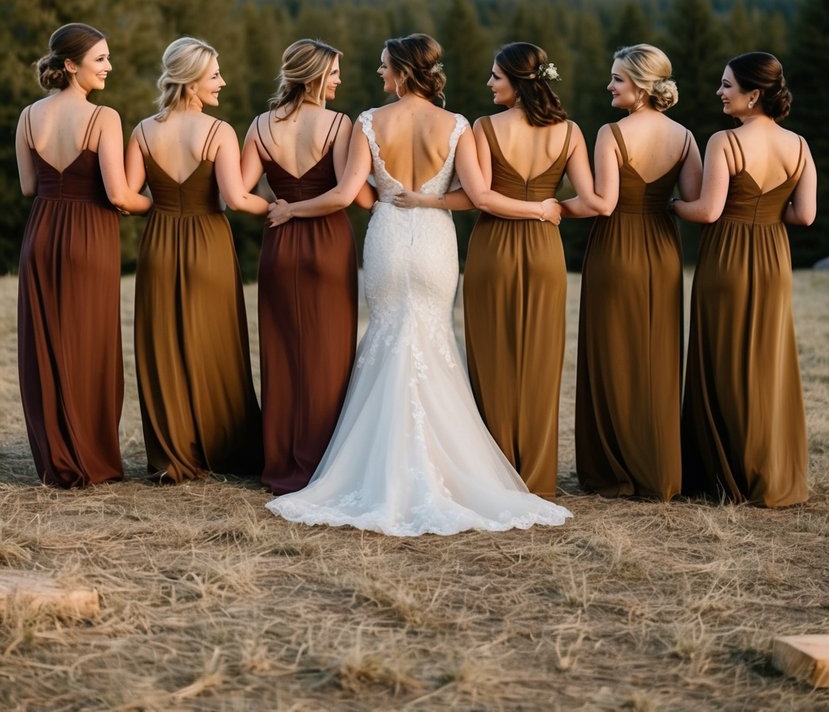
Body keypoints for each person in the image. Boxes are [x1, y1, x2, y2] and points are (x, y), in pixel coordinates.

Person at [263, 33, 572, 535]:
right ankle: (447, 467)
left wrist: (377, 197)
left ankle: (374, 466)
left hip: (387, 237)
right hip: (433, 241)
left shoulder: (368, 122)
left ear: (404, 72)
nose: (379, 74)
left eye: (385, 66)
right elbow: (476, 196)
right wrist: (429, 201)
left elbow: (349, 193)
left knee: (387, 334)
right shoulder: (456, 125)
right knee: (431, 336)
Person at [394, 42, 597, 499]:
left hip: (493, 247)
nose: (489, 83)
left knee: (491, 359)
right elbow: (592, 201)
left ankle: (494, 471)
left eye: (496, 77)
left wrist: (529, 209)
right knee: (542, 360)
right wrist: (550, 209)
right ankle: (538, 475)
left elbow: (481, 197)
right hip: (545, 251)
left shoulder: (485, 127)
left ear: (518, 82)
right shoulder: (570, 132)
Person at [673, 52, 816, 506]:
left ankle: (725, 471)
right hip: (774, 258)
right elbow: (806, 215)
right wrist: (769, 214)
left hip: (727, 258)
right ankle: (768, 469)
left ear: (754, 94)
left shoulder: (724, 142)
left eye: (727, 85)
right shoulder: (799, 145)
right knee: (765, 362)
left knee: (722, 359)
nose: (720, 92)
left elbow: (708, 211)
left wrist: (670, 204)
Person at [562, 44, 702, 500]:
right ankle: (658, 467)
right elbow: (695, 202)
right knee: (657, 355)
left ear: (641, 87)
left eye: (617, 78)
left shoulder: (611, 133)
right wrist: (668, 206)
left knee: (610, 354)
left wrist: (552, 207)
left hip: (615, 246)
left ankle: (614, 470)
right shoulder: (684, 137)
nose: (610, 85)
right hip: (662, 249)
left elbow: (600, 200)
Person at [126, 37, 268, 482]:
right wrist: (278, 208)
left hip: (160, 243)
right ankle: (222, 448)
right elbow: (236, 198)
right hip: (208, 240)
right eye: (214, 75)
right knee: (216, 343)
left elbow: (127, 198)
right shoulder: (218, 131)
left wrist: (163, 208)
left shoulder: (143, 131)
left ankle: (172, 454)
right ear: (191, 82)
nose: (221, 82)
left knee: (162, 343)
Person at [16, 23, 151, 487]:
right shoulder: (104, 118)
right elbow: (118, 194)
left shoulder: (28, 116)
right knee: (91, 344)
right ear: (71, 65)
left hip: (42, 232)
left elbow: (29, 186)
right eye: (101, 59)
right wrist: (156, 203)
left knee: (46, 344)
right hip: (89, 235)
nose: (109, 67)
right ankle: (90, 457)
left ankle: (56, 459)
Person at [241, 39, 374, 493]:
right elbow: (350, 195)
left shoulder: (260, 126)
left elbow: (238, 195)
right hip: (329, 242)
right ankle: (321, 459)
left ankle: (280, 459)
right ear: (315, 75)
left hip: (280, 245)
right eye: (334, 72)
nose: (339, 79)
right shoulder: (339, 124)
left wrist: (278, 207)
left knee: (281, 351)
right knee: (330, 353)